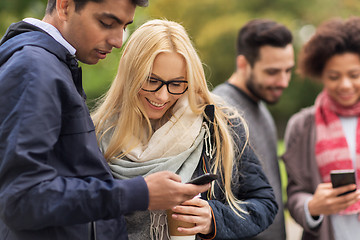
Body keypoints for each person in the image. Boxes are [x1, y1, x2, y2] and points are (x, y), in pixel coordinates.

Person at [0, 1, 210, 239]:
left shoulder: (54, 66)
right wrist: (140, 193)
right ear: (65, 6)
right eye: (107, 23)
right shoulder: (34, 69)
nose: (118, 41)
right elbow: (21, 200)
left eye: (124, 26)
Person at [91, 19, 278, 240]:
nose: (162, 96)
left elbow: (265, 203)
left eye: (177, 83)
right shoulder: (95, 133)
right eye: (151, 80)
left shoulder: (219, 124)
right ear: (130, 74)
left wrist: (213, 218)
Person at [212, 19, 294, 240]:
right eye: (273, 72)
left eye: (288, 71)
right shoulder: (222, 111)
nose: (283, 81)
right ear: (243, 64)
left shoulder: (261, 105)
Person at [282, 16, 360, 240]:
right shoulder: (302, 125)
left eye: (354, 75)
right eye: (334, 76)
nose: (345, 84)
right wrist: (312, 206)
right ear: (321, 75)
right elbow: (295, 193)